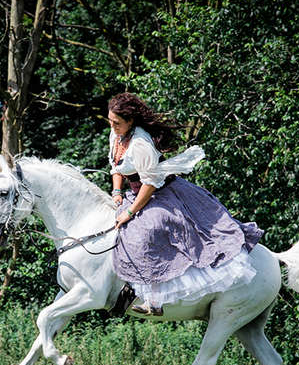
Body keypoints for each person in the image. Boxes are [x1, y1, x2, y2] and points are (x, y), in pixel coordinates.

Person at [108, 92, 264, 315]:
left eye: (117, 123)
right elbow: (116, 167)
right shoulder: (117, 136)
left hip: (160, 192)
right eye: (110, 121)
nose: (113, 126)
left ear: (131, 121)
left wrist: (130, 211)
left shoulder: (141, 143)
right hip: (136, 192)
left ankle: (154, 299)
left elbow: (150, 182)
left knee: (149, 229)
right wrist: (116, 191)